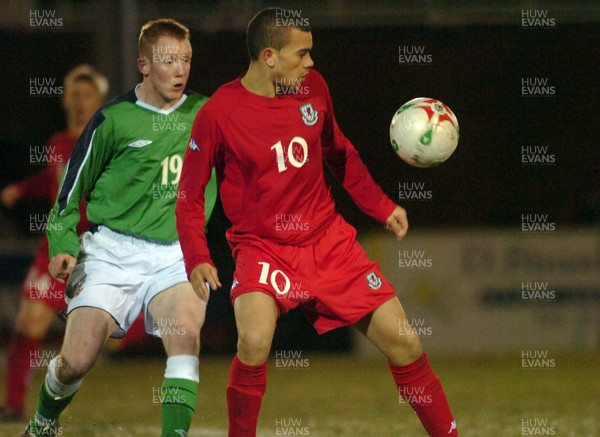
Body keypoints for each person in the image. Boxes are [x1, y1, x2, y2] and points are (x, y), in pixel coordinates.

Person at [176, 7, 457, 437]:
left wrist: (381, 206)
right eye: (302, 54)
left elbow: (338, 152)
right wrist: (197, 256)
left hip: (329, 241)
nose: (310, 64)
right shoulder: (219, 113)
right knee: (252, 343)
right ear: (269, 56)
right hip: (262, 248)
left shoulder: (313, 89)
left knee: (405, 343)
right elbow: (189, 195)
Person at [21, 18, 217, 437]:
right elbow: (69, 195)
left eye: (185, 59)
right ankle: (42, 423)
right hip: (112, 253)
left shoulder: (206, 113)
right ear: (144, 65)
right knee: (76, 359)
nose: (180, 69)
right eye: (168, 60)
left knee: (184, 338)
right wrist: (61, 243)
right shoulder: (112, 121)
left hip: (176, 255)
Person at [0, 64, 108, 422]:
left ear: (99, 101)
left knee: (96, 341)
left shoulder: (108, 142)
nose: (80, 102)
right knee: (29, 324)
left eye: (87, 95)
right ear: (65, 100)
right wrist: (22, 189)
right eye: (75, 95)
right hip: (55, 249)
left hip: (95, 251)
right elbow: (52, 179)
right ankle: (14, 404)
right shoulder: (57, 144)